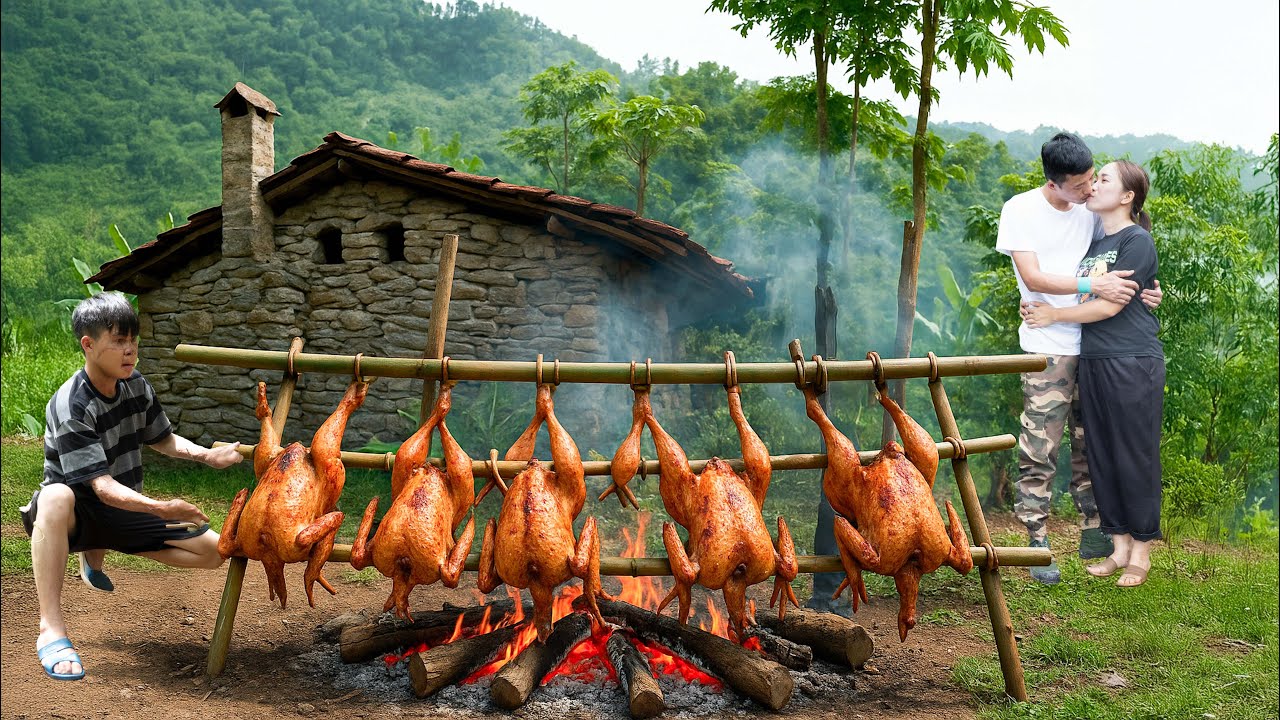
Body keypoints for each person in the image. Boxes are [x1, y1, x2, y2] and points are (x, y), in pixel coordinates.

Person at [20, 292, 244, 681]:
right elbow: (102, 487)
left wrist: (208, 455)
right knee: (56, 496)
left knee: (215, 553)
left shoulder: (135, 384)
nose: (130, 352)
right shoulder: (70, 405)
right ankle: (51, 629)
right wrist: (163, 508)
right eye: (118, 342)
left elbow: (164, 439)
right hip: (75, 514)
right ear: (88, 346)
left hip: (123, 509)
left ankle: (100, 550)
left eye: (133, 341)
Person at [995, 132, 1162, 585]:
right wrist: (1093, 289)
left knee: (1094, 446)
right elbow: (1033, 275)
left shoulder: (1091, 213)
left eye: (1096, 180)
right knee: (1040, 446)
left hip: (1095, 345)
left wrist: (1147, 287)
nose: (1090, 189)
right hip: (1047, 345)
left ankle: (1100, 534)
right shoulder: (1021, 210)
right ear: (1054, 184)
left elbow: (1126, 242)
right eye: (1082, 184)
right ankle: (1037, 542)